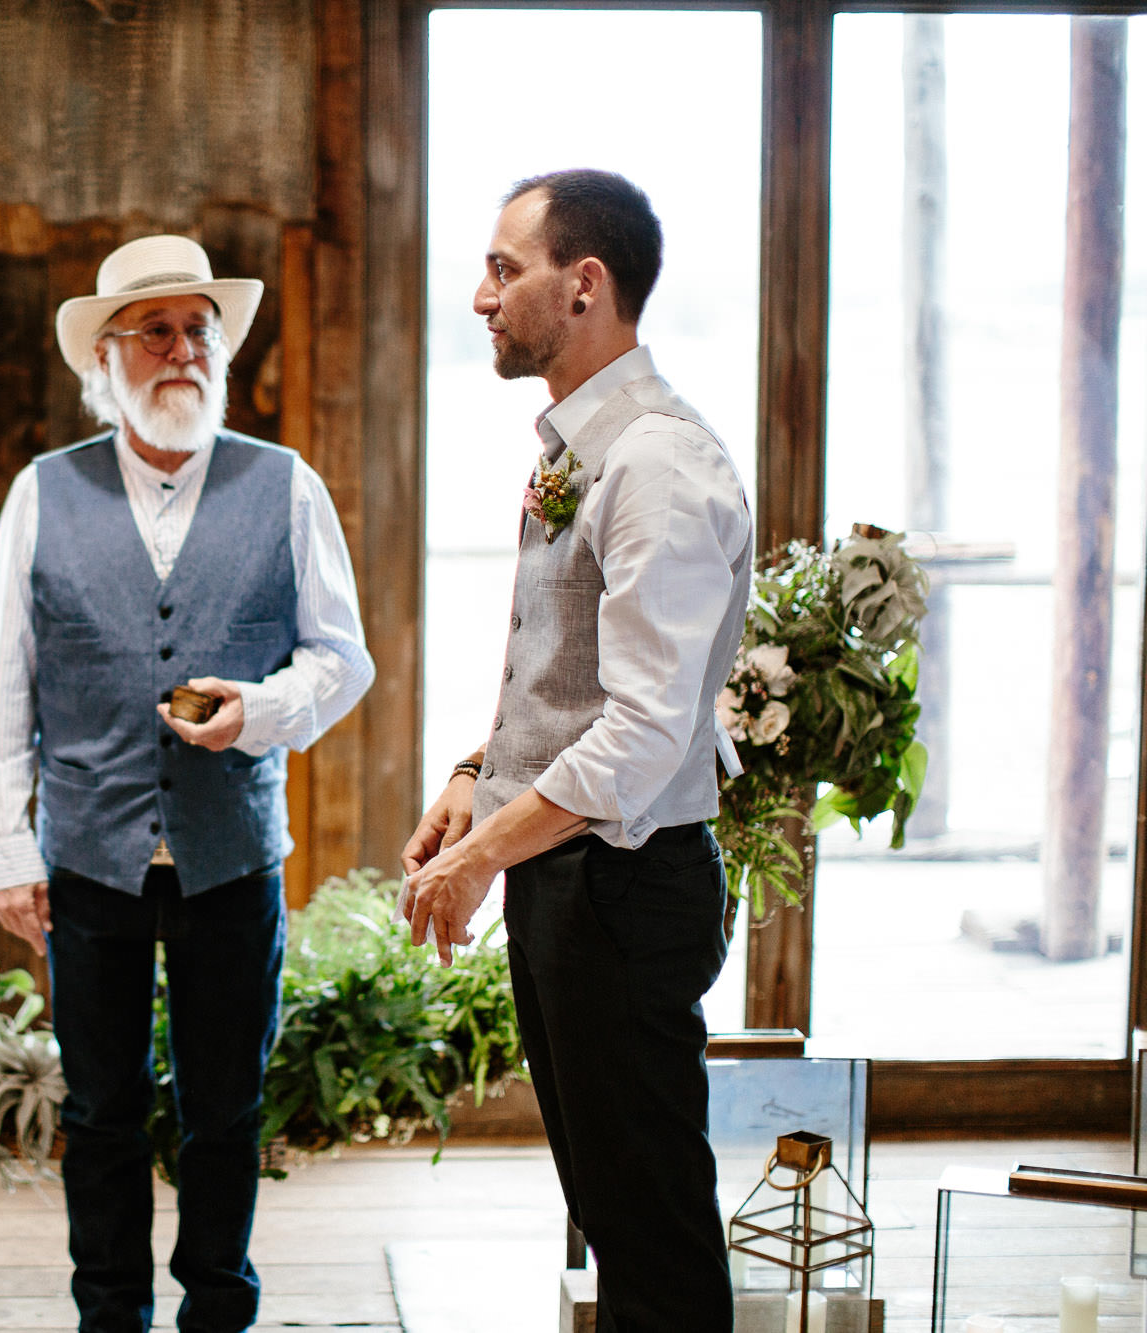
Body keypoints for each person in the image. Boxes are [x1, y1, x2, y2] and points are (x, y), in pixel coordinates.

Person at [0, 234, 374, 1333]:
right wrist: (6, 847)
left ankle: (216, 1310)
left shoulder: (283, 486)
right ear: (106, 358)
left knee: (223, 1112)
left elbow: (340, 659)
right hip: (88, 860)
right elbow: (7, 686)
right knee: (97, 1112)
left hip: (230, 858)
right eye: (156, 330)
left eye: (200, 330)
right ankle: (108, 1314)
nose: (182, 350)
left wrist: (264, 711)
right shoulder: (40, 495)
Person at [398, 171, 753, 1330]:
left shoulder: (655, 463)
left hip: (624, 886)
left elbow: (645, 731)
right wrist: (471, 777)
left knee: (648, 1223)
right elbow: (567, 670)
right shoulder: (584, 445)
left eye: (504, 269)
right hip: (572, 878)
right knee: (609, 1210)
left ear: (583, 283)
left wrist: (476, 859)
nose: (479, 298)